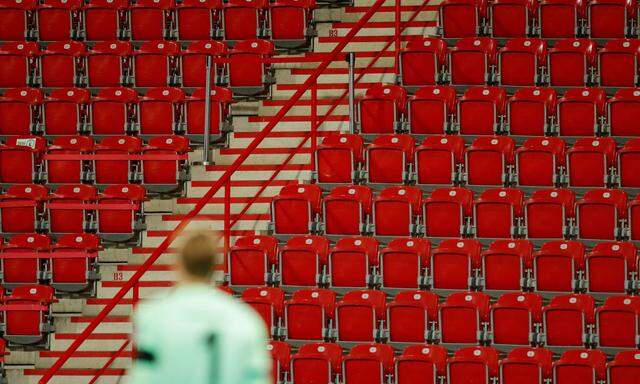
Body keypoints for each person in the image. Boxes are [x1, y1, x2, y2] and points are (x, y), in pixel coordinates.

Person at [127, 231, 271, 384]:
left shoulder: (152, 315)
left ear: (178, 264)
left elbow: (144, 377)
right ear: (213, 266)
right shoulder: (247, 319)